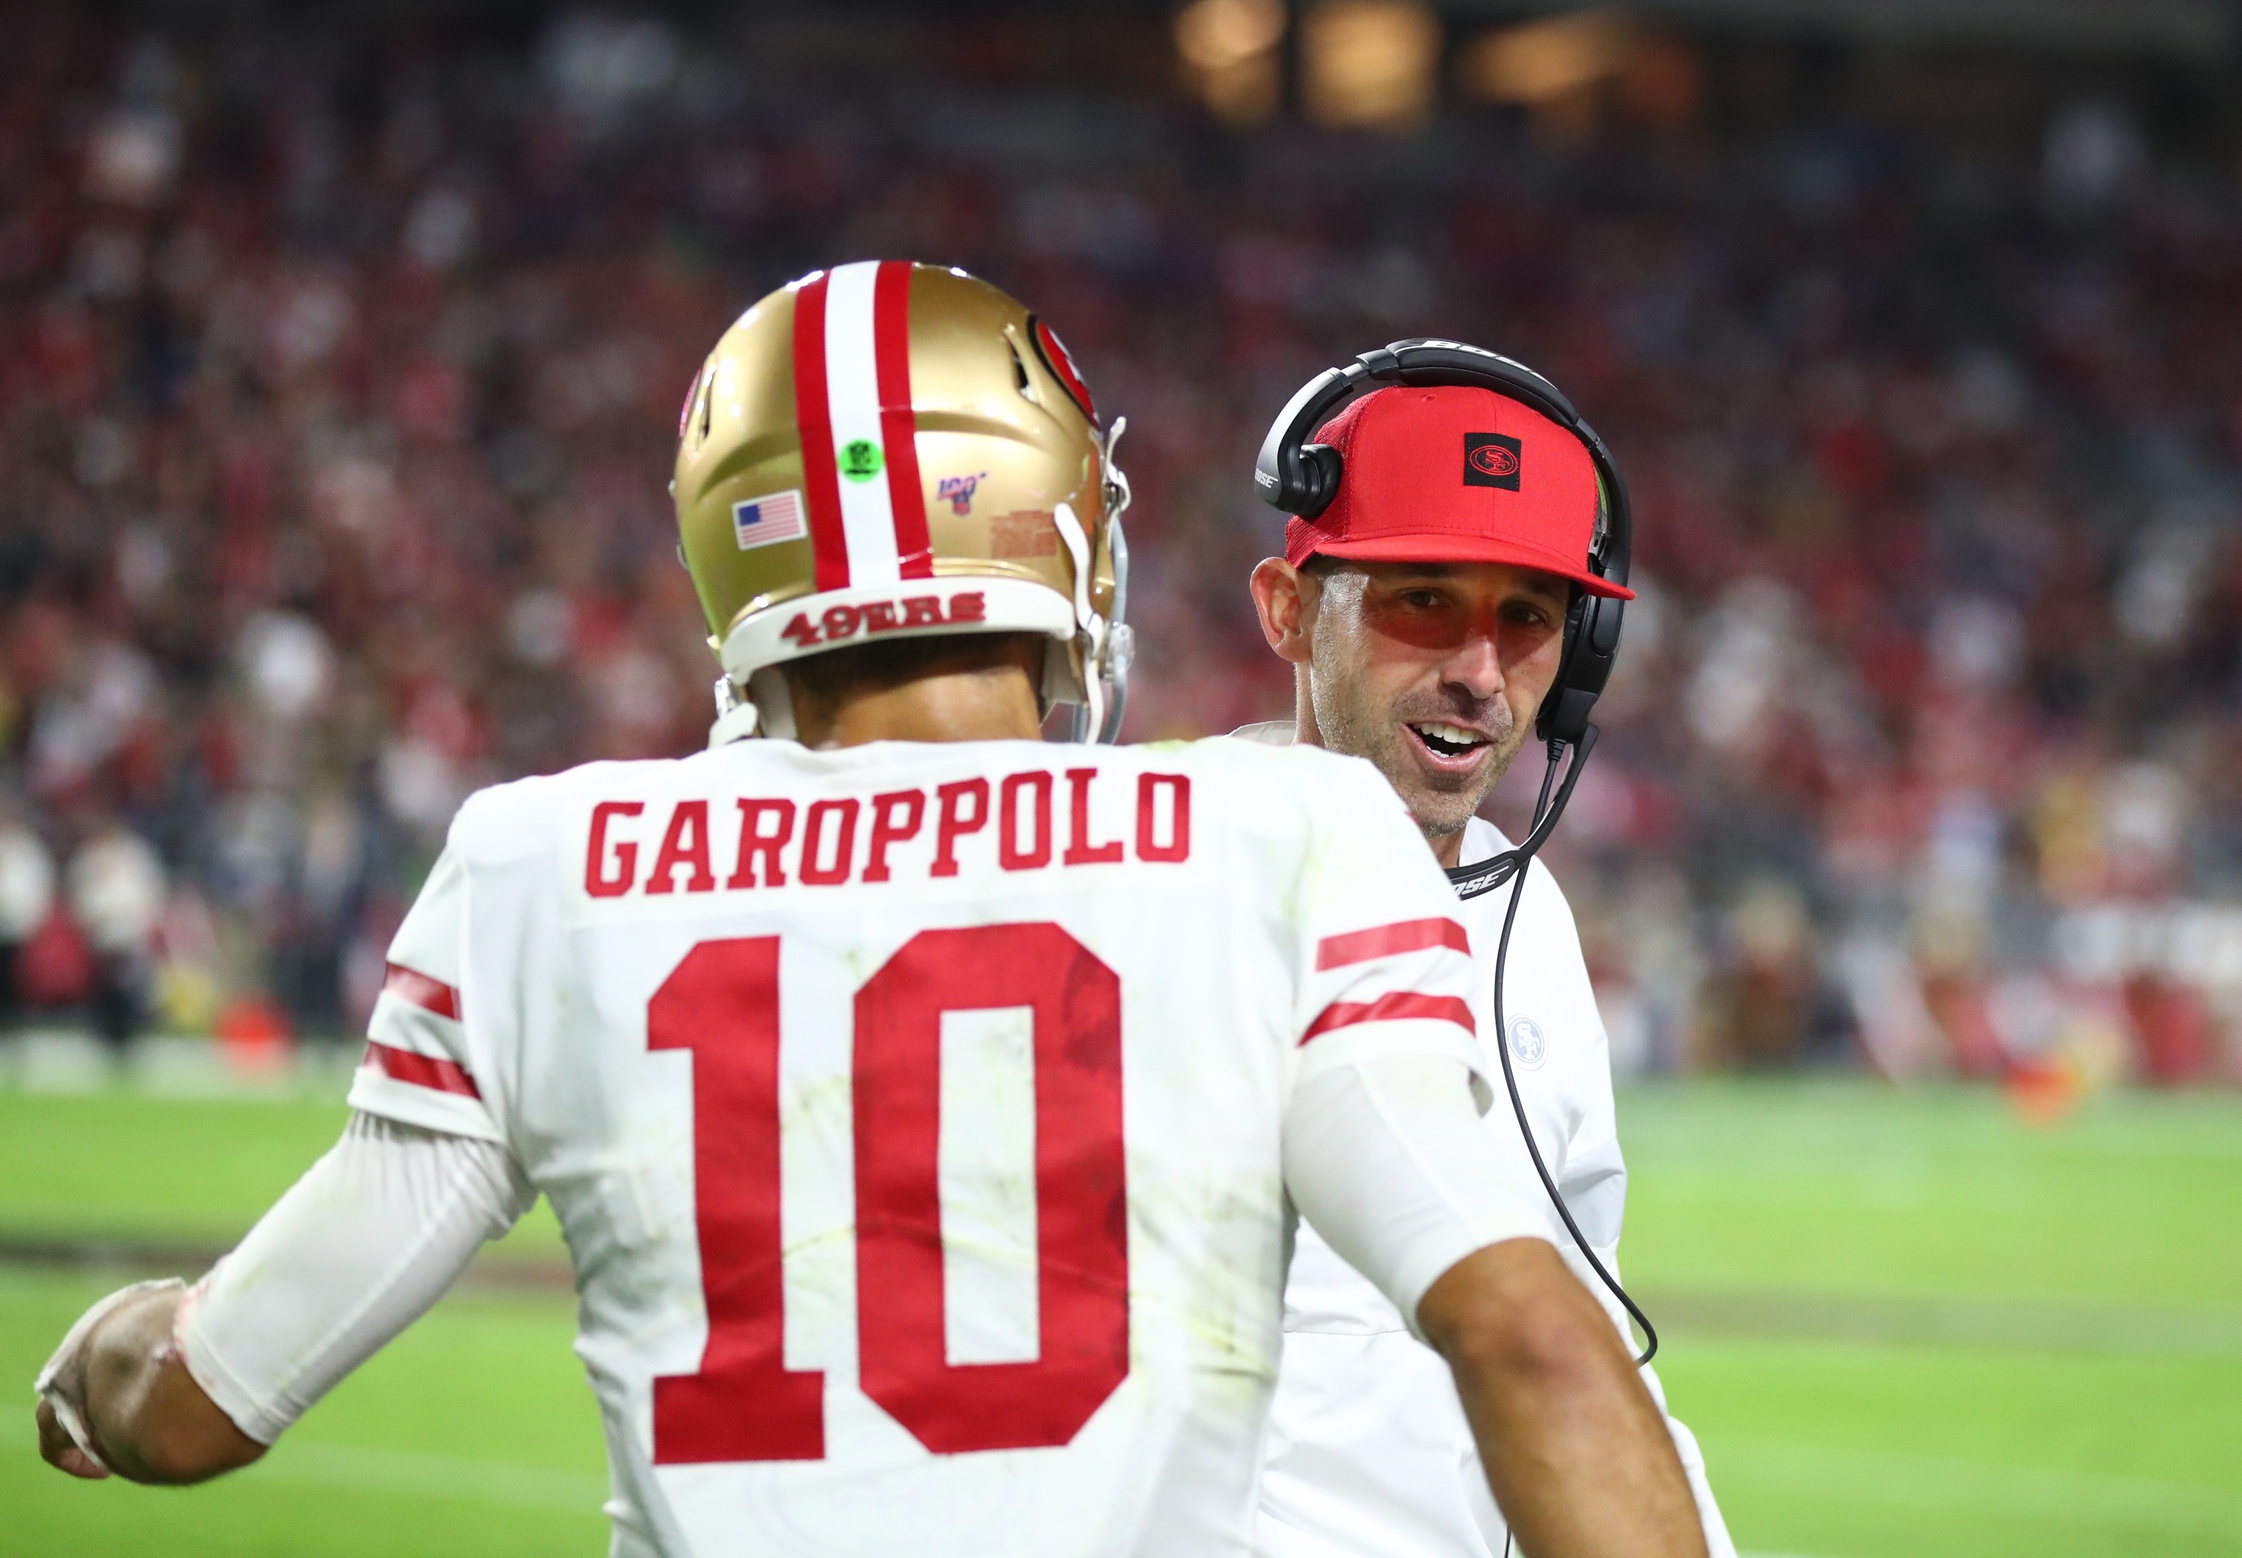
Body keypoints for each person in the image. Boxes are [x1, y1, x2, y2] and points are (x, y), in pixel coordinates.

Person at [35, 265, 1706, 1558]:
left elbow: (201, 1399)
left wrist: (109, 1358)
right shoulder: (1286, 834)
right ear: (1059, 531)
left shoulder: (539, 860)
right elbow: (1530, 1341)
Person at [1240, 346, 1737, 1558]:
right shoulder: (1171, 894)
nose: (1478, 673)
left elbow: (1587, 1332)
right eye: (1422, 600)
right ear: (1289, 610)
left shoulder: (1528, 914)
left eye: (1527, 618)